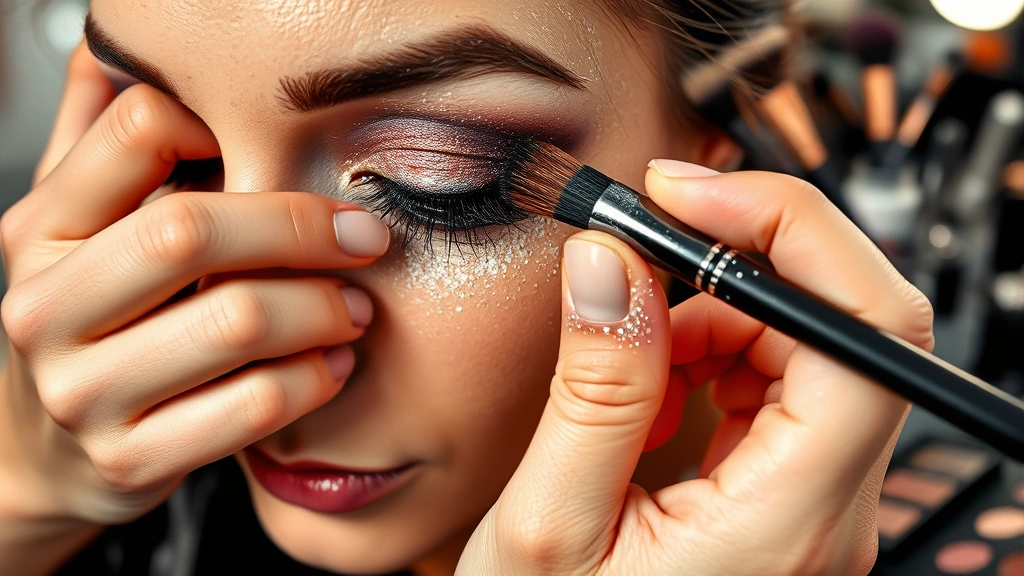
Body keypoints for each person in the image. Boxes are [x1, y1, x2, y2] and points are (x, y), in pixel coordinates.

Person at [0, 1, 935, 574]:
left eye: (436, 180)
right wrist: (32, 489)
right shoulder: (105, 436)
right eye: (175, 156)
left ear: (715, 141)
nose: (230, 324)